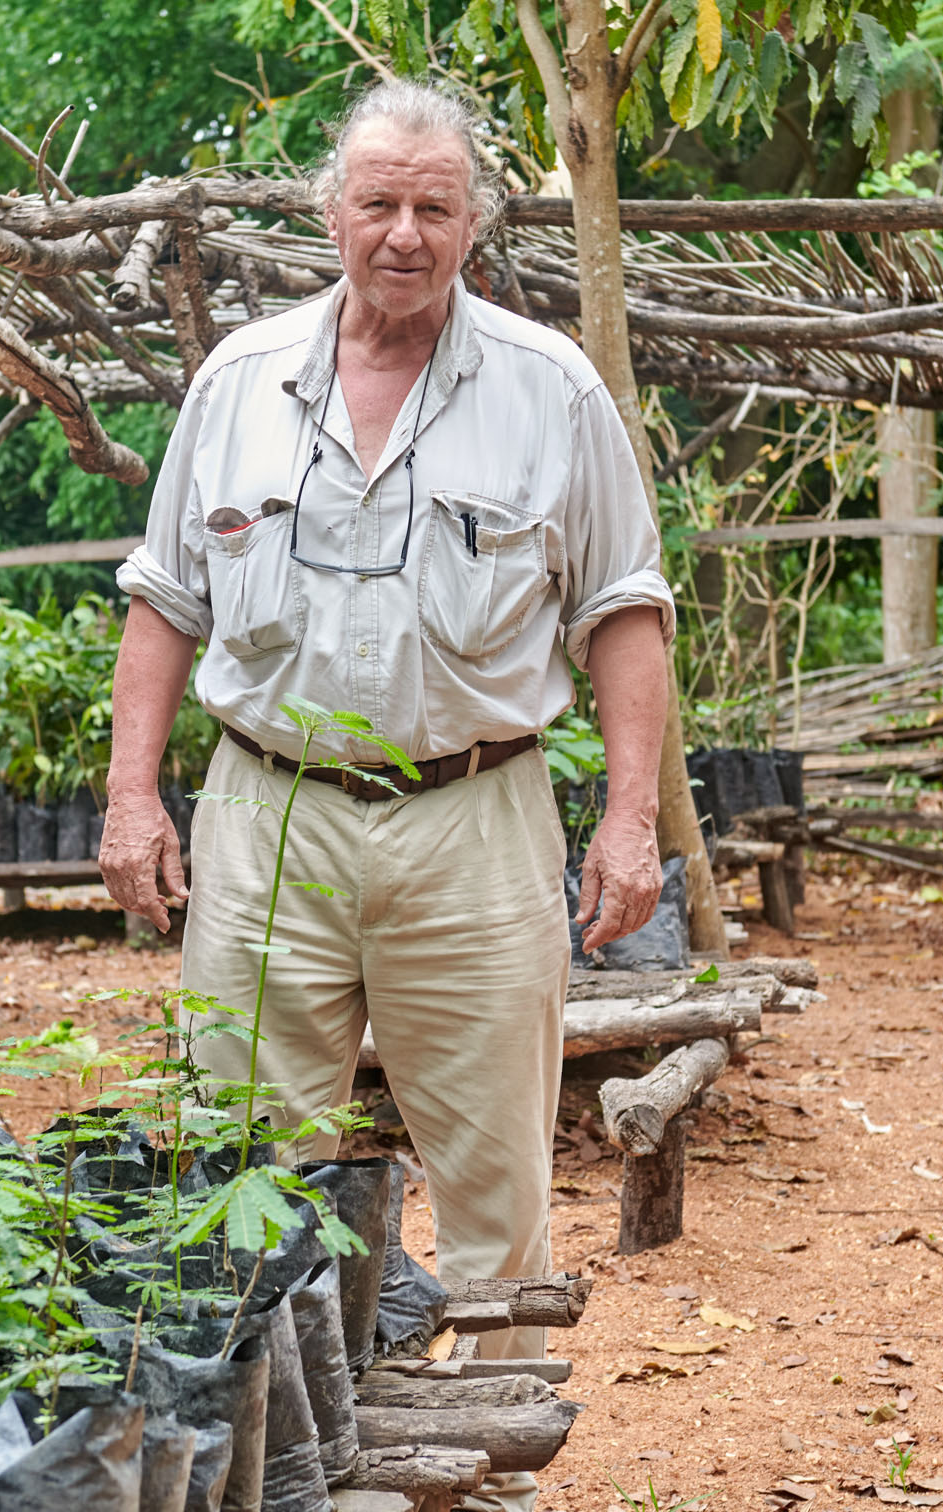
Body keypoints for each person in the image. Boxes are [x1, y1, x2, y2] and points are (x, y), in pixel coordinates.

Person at [102, 76, 674, 1511]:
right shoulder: (238, 381)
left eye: (435, 204)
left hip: (473, 820)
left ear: (476, 215)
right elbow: (165, 601)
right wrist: (132, 799)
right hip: (263, 815)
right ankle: (277, 1476)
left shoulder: (551, 388)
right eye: (379, 202)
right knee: (248, 1167)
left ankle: (486, 1479)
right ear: (329, 212)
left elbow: (624, 608)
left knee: (491, 1173)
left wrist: (629, 818)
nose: (405, 233)